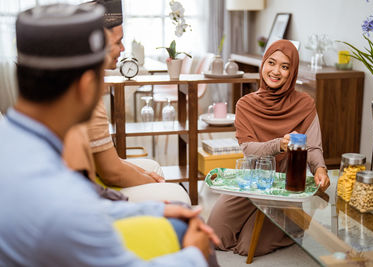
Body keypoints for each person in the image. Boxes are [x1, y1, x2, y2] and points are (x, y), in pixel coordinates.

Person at [0, 4, 219, 266]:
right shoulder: (62, 200)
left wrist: (155, 208)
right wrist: (195, 254)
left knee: (180, 215)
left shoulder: (13, 140)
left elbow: (85, 209)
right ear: (86, 86)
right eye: (101, 74)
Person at [207, 40, 330, 256]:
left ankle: (296, 223)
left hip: (285, 183)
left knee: (248, 247)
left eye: (284, 67)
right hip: (252, 178)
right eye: (271, 63)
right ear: (263, 64)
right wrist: (279, 144)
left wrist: (320, 168)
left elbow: (312, 146)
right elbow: (248, 149)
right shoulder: (245, 104)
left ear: (292, 72)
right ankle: (260, 214)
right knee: (216, 236)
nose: (276, 71)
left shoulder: (305, 104)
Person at [63, 0, 190, 204]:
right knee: (177, 194)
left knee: (154, 168)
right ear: (95, 45)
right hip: (87, 193)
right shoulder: (86, 93)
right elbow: (111, 172)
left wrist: (148, 177)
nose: (123, 49)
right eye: (117, 42)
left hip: (92, 175)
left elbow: (105, 160)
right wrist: (155, 184)